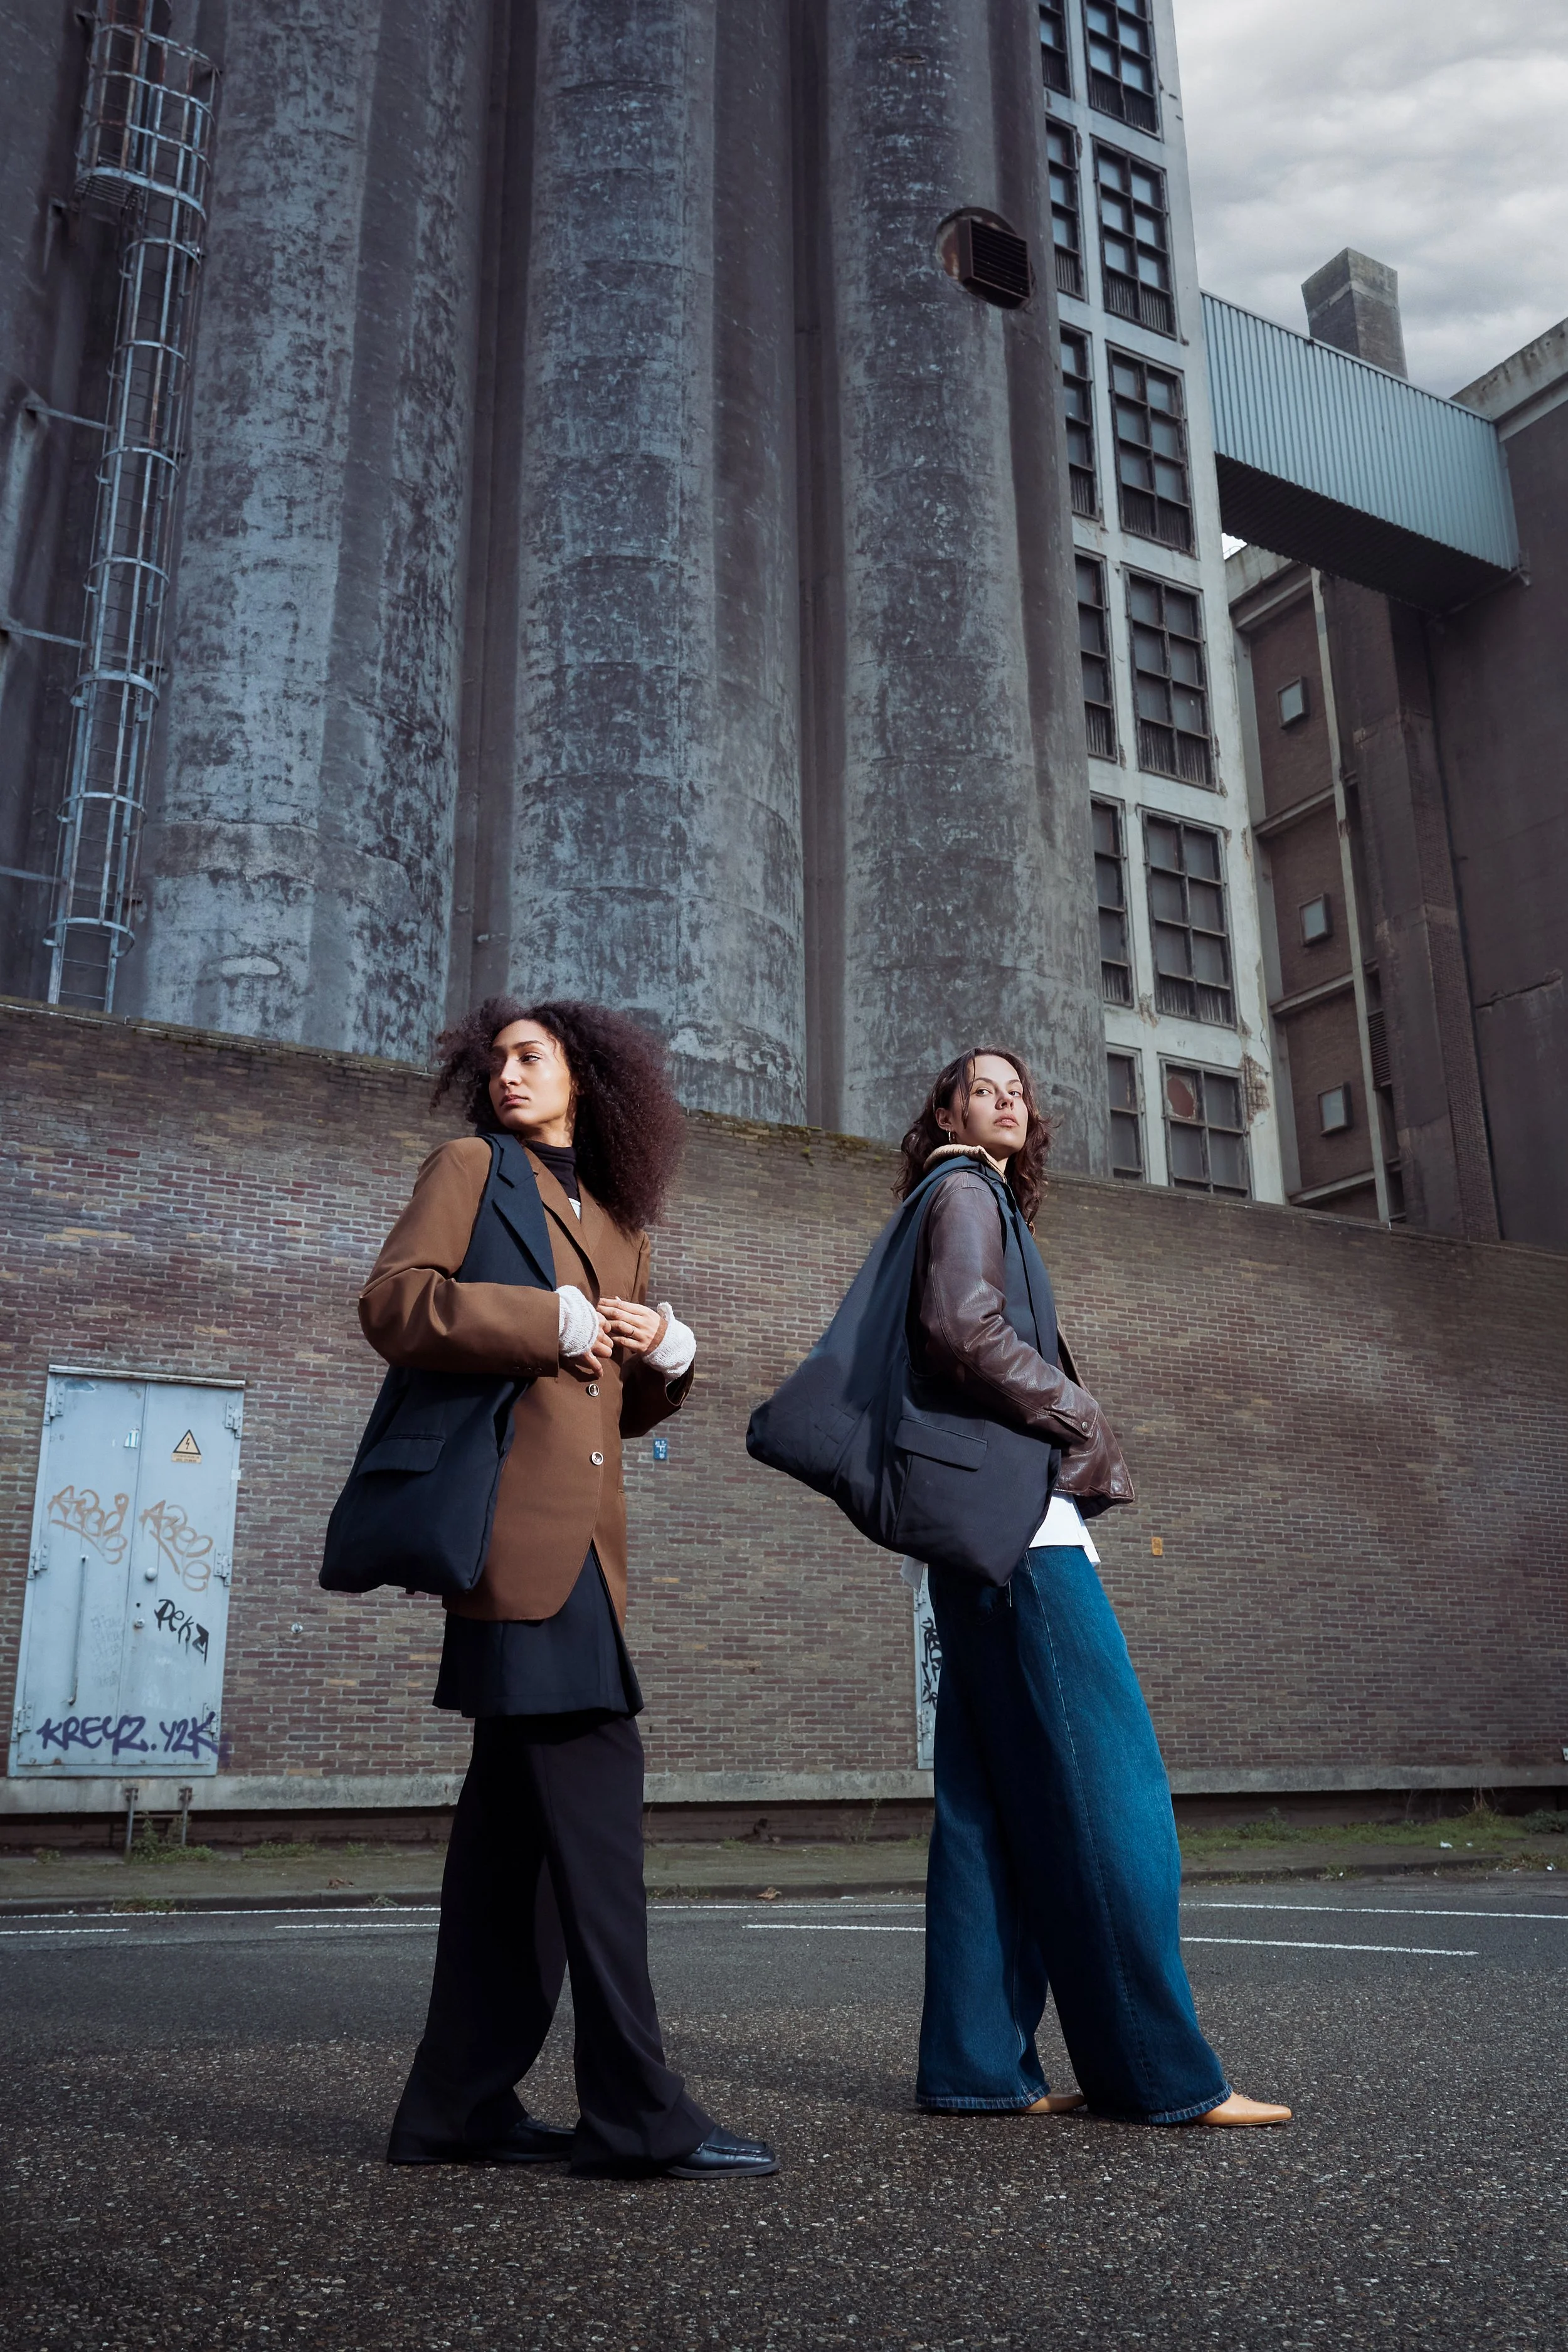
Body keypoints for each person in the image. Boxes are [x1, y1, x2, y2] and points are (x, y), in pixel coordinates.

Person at [366, 997, 776, 2179]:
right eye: (497, 1059)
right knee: (595, 1840)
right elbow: (393, 1303)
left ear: (584, 1076)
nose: (508, 1073)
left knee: (516, 1855)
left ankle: (456, 2106)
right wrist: (539, 1317)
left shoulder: (619, 1218)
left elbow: (609, 1406)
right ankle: (638, 2115)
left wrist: (669, 1360)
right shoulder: (470, 1170)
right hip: (512, 1547)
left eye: (531, 1057)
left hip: (591, 1555)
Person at [901, 1048, 1291, 2129]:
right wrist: (1080, 1410)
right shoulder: (966, 1189)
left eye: (1019, 1090)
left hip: (974, 1540)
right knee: (1113, 1790)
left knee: (985, 1804)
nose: (1007, 1099)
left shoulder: (954, 1198)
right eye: (984, 1088)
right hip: (1024, 1536)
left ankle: (979, 2066)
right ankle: (1159, 2075)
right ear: (947, 1111)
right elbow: (962, 1327)